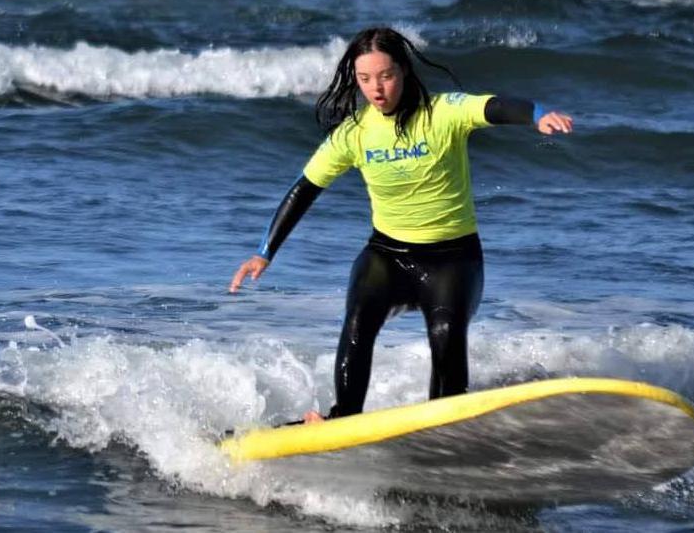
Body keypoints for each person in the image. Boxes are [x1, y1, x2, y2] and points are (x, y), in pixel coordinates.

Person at [228, 27, 573, 423]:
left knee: (446, 335)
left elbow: (494, 106)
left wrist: (536, 114)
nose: (376, 89)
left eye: (386, 76)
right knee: (357, 323)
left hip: (453, 260)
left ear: (404, 71)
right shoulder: (354, 133)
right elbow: (305, 188)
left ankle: (443, 426)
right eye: (365, 79)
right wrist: (264, 252)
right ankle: (342, 419)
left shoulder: (443, 111)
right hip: (388, 255)